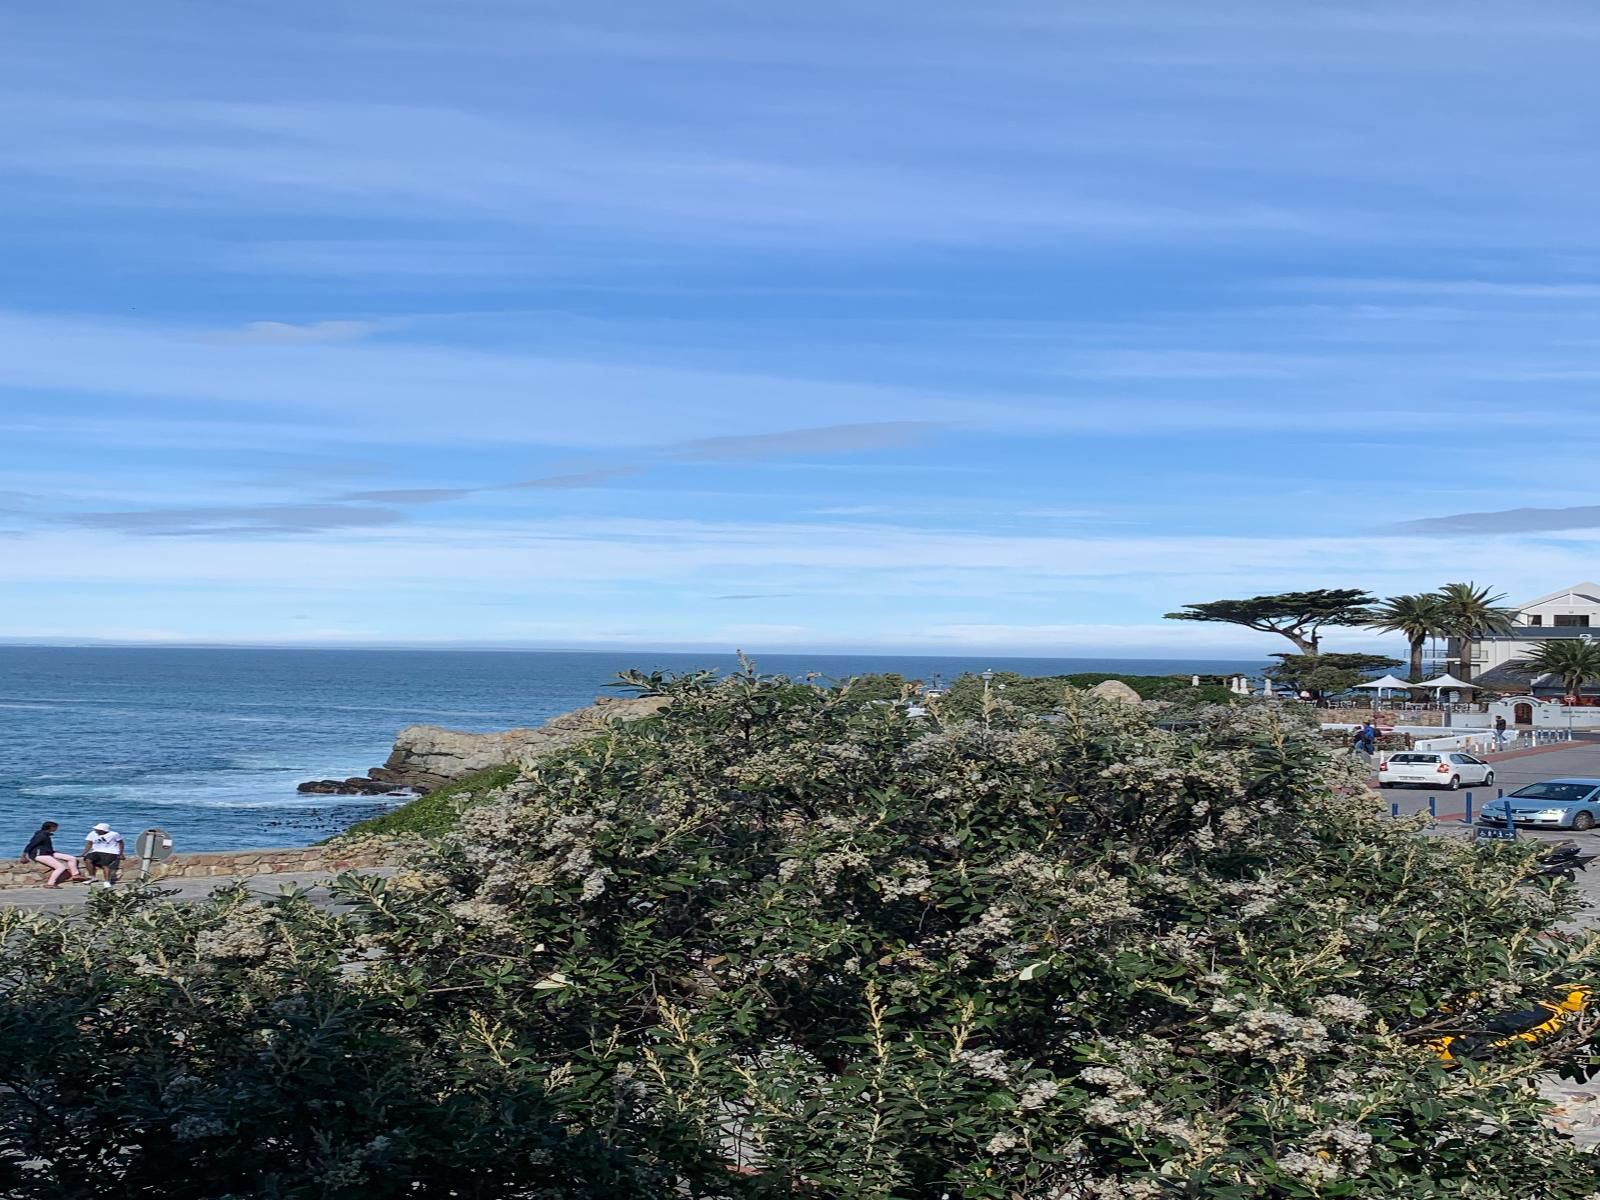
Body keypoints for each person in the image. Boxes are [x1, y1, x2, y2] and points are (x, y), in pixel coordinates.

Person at [19, 821, 84, 888]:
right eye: (55, 827)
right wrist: (23, 855)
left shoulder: (46, 834)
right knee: (60, 867)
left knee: (71, 858)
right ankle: (50, 884)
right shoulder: (40, 836)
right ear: (50, 827)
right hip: (40, 855)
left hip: (48, 853)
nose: (56, 829)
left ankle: (75, 875)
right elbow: (31, 845)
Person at [82, 823, 125, 887]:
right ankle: (92, 877)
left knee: (105, 864)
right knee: (88, 860)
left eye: (98, 830)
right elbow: (89, 843)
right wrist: (84, 852)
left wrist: (120, 853)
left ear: (103, 830)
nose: (96, 831)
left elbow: (121, 843)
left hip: (111, 852)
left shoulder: (114, 834)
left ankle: (107, 881)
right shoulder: (92, 833)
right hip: (96, 851)